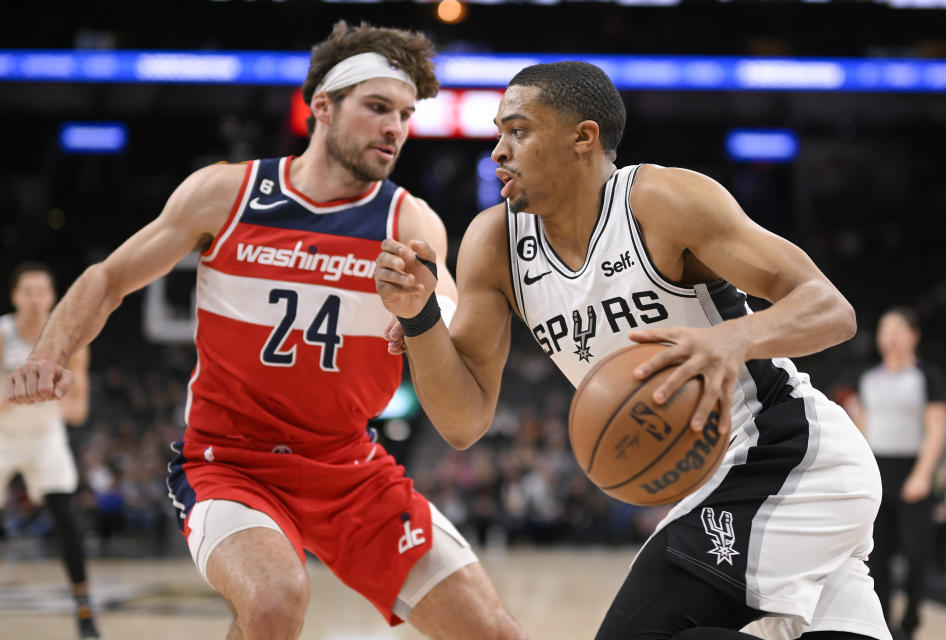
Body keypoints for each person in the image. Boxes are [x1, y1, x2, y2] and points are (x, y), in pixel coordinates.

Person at [6, 22, 525, 640]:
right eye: (378, 107)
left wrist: (424, 317)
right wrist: (51, 351)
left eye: (406, 114)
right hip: (230, 463)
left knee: (496, 634)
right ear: (323, 107)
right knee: (275, 600)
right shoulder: (229, 193)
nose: (396, 128)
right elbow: (108, 278)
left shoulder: (410, 222)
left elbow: (444, 318)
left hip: (350, 468)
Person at [375, 61, 890, 640]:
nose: (498, 151)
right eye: (498, 133)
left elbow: (831, 308)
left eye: (518, 131)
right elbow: (464, 422)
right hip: (713, 482)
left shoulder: (661, 201)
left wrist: (732, 338)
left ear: (582, 138)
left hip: (784, 452)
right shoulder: (494, 243)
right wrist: (420, 318)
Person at [0, 262, 100, 639]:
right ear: (15, 297)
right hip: (3, 436)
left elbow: (78, 412)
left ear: (53, 297)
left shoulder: (71, 340)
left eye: (42, 291)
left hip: (45, 436)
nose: (36, 299)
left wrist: (55, 395)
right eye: (28, 291)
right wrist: (21, 390)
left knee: (67, 520)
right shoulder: (3, 334)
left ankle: (85, 610)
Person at [845, 307, 946, 639]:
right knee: (876, 558)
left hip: (913, 472)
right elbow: (863, 430)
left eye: (896, 329)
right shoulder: (868, 378)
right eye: (883, 329)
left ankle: (911, 622)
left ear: (913, 335)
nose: (888, 336)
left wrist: (922, 476)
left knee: (917, 555)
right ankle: (883, 626)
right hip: (877, 472)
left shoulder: (928, 376)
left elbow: (936, 431)